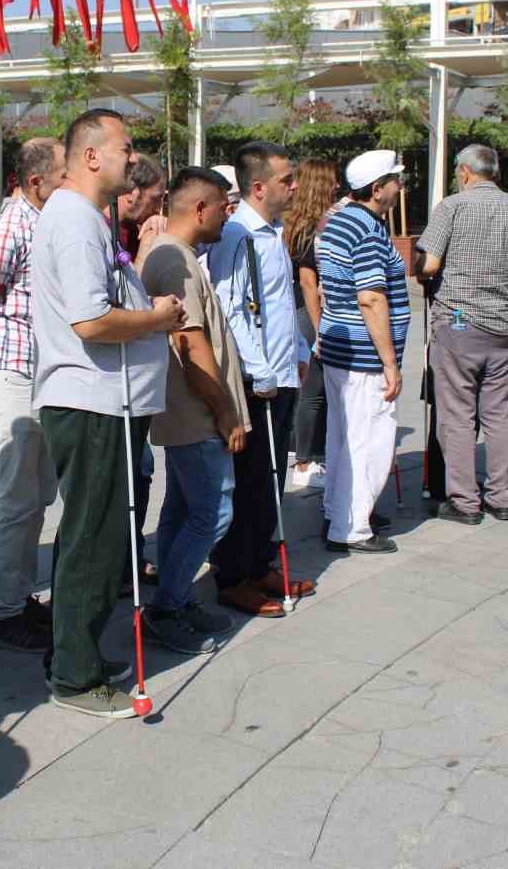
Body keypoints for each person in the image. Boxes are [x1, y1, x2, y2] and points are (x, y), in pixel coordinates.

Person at [32, 109, 181, 719]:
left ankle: (75, 650)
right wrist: (160, 317)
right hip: (92, 403)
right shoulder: (72, 220)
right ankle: (75, 674)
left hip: (107, 402)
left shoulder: (86, 218)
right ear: (91, 155)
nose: (132, 156)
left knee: (91, 535)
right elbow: (92, 322)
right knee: (95, 539)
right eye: (124, 146)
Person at [0, 137, 66, 654]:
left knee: (37, 496)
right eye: (64, 174)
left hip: (41, 378)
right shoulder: (8, 229)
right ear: (35, 182)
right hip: (11, 375)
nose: (72, 183)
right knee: (17, 502)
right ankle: (3, 612)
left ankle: (20, 598)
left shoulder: (48, 224)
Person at [139, 167, 249, 653]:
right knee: (212, 513)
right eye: (225, 206)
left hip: (188, 411)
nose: (230, 214)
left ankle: (175, 600)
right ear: (200, 208)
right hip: (196, 412)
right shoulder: (173, 258)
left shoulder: (174, 253)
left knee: (183, 510)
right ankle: (166, 606)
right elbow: (191, 341)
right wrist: (224, 412)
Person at [208, 141, 315, 609]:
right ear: (258, 186)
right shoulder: (237, 235)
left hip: (283, 372)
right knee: (250, 481)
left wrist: (301, 347)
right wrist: (259, 372)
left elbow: (277, 303)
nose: (294, 186)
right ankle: (234, 576)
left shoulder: (274, 231)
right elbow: (231, 309)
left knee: (271, 478)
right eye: (286, 179)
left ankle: (259, 562)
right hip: (260, 381)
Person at [416, 144, 508, 525]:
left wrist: (419, 266)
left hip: (459, 318)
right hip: (503, 324)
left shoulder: (453, 206)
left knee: (456, 415)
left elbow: (431, 263)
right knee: (498, 413)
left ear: (465, 172)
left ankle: (464, 501)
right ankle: (502, 497)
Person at [317, 149, 411, 553]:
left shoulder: (341, 222)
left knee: (343, 436)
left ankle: (339, 511)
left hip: (341, 349)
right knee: (370, 439)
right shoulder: (368, 230)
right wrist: (390, 362)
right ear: (377, 189)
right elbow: (371, 297)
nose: (400, 187)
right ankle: (353, 526)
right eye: (396, 181)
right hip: (364, 355)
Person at [116, 154, 167, 589]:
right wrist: (147, 251)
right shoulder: (106, 228)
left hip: (136, 374)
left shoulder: (130, 227)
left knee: (142, 469)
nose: (158, 206)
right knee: (118, 482)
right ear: (133, 193)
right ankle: (118, 561)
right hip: (110, 381)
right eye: (155, 197)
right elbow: (122, 300)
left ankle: (129, 554)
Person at [283, 157, 338, 488]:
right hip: (308, 313)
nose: (336, 187)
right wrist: (321, 331)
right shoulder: (310, 228)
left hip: (299, 311)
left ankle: (301, 452)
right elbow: (307, 282)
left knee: (308, 390)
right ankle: (304, 463)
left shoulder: (292, 222)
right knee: (313, 391)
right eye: (330, 181)